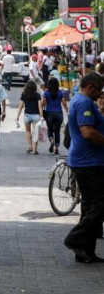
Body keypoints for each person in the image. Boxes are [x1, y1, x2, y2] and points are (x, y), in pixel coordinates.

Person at [64, 73, 104, 263]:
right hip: (88, 162)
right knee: (100, 204)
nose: (100, 94)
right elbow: (87, 132)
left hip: (87, 160)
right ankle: (75, 239)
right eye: (99, 90)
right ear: (90, 87)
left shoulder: (79, 100)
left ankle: (85, 250)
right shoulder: (84, 103)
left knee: (89, 206)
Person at [42, 78, 69, 155]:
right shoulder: (60, 93)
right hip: (59, 114)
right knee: (57, 131)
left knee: (50, 129)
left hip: (49, 114)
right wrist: (67, 111)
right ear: (57, 84)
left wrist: (41, 107)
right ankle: (56, 148)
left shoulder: (46, 93)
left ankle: (51, 140)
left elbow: (43, 103)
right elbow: (64, 103)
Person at [16, 80, 44, 154]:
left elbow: (20, 106)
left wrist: (17, 116)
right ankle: (35, 149)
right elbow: (40, 106)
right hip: (36, 115)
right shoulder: (37, 95)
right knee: (35, 132)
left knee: (28, 131)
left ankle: (30, 146)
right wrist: (41, 116)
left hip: (27, 115)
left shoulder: (24, 94)